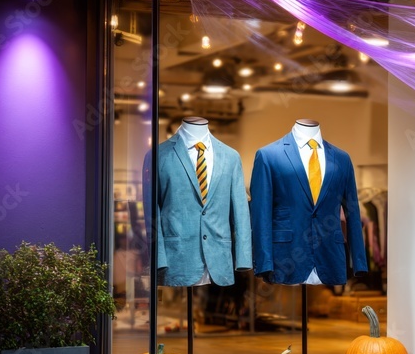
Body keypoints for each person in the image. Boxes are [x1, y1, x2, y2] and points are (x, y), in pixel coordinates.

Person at [249, 119, 368, 286]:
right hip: (286, 257)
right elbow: (260, 215)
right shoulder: (268, 155)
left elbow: (353, 213)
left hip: (330, 256)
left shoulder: (342, 159)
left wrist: (359, 262)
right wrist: (263, 264)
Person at [142, 116, 252, 287]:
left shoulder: (231, 157)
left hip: (219, 260)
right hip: (176, 260)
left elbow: (241, 212)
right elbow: (151, 212)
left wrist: (243, 257)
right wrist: (158, 260)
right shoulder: (159, 155)